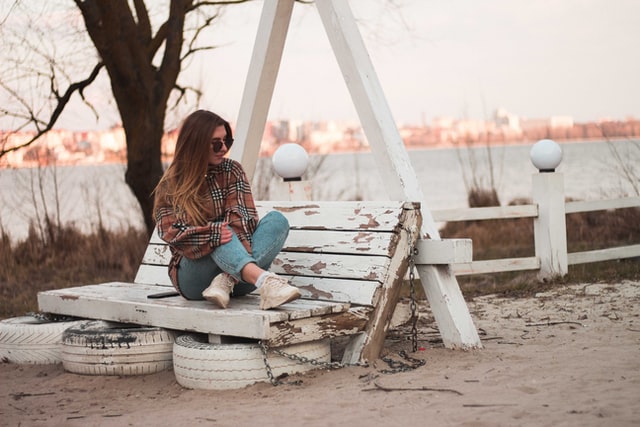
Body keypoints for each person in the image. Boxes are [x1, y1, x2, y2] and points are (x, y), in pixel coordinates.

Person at [152, 109, 301, 310]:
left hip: (239, 284)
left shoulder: (232, 171)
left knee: (277, 221)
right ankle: (264, 280)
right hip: (194, 278)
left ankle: (227, 280)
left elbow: (244, 224)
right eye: (216, 143)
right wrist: (211, 234)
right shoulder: (170, 184)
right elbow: (171, 233)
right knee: (221, 231)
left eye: (227, 141)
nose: (223, 148)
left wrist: (227, 260)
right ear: (196, 143)